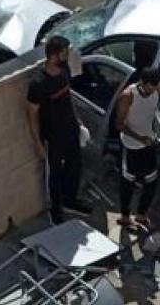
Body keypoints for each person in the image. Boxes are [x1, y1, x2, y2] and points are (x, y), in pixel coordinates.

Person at [27, 35, 92, 224]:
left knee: (75, 165)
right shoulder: (38, 83)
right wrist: (38, 143)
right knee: (54, 174)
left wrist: (78, 122)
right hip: (53, 136)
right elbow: (31, 114)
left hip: (70, 128)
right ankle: (56, 212)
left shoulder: (64, 70)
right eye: (64, 52)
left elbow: (68, 97)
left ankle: (70, 201)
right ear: (54, 55)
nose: (68, 54)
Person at [115, 67, 160, 229]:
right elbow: (119, 124)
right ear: (142, 82)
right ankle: (125, 216)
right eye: (150, 86)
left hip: (148, 144)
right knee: (128, 183)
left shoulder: (156, 91)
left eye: (155, 86)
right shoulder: (128, 96)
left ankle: (141, 215)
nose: (153, 90)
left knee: (152, 182)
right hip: (131, 146)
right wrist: (139, 138)